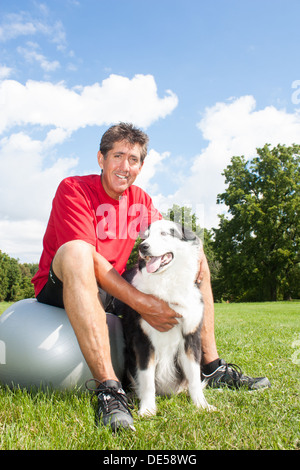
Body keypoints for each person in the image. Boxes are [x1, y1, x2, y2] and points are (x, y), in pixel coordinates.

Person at [32, 123, 270, 432]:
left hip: (112, 283)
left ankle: (211, 367)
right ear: (101, 159)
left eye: (133, 160)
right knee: (78, 251)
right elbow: (88, 260)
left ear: (141, 166)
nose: (124, 166)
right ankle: (110, 391)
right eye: (117, 156)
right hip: (65, 283)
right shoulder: (73, 188)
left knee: (195, 255)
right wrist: (143, 303)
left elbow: (167, 241)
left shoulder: (140, 200)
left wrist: (195, 253)